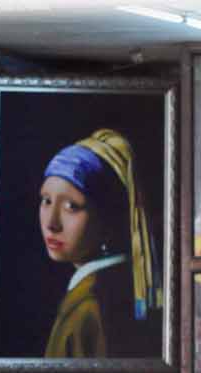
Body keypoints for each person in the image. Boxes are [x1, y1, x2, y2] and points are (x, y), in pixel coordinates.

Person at [38, 128, 162, 359]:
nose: (51, 223)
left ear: (107, 218)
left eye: (71, 206)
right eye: (46, 200)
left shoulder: (89, 308)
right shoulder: (112, 288)